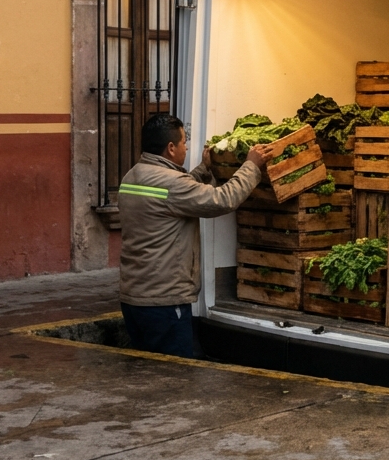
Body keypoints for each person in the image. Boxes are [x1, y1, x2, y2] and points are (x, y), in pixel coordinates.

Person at [118, 113, 277, 358]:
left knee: (146, 374)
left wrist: (203, 171)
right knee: (174, 377)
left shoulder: (133, 176)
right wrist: (252, 165)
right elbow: (223, 199)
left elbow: (171, 196)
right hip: (164, 302)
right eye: (184, 142)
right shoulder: (172, 184)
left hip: (134, 298)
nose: (187, 146)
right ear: (171, 148)